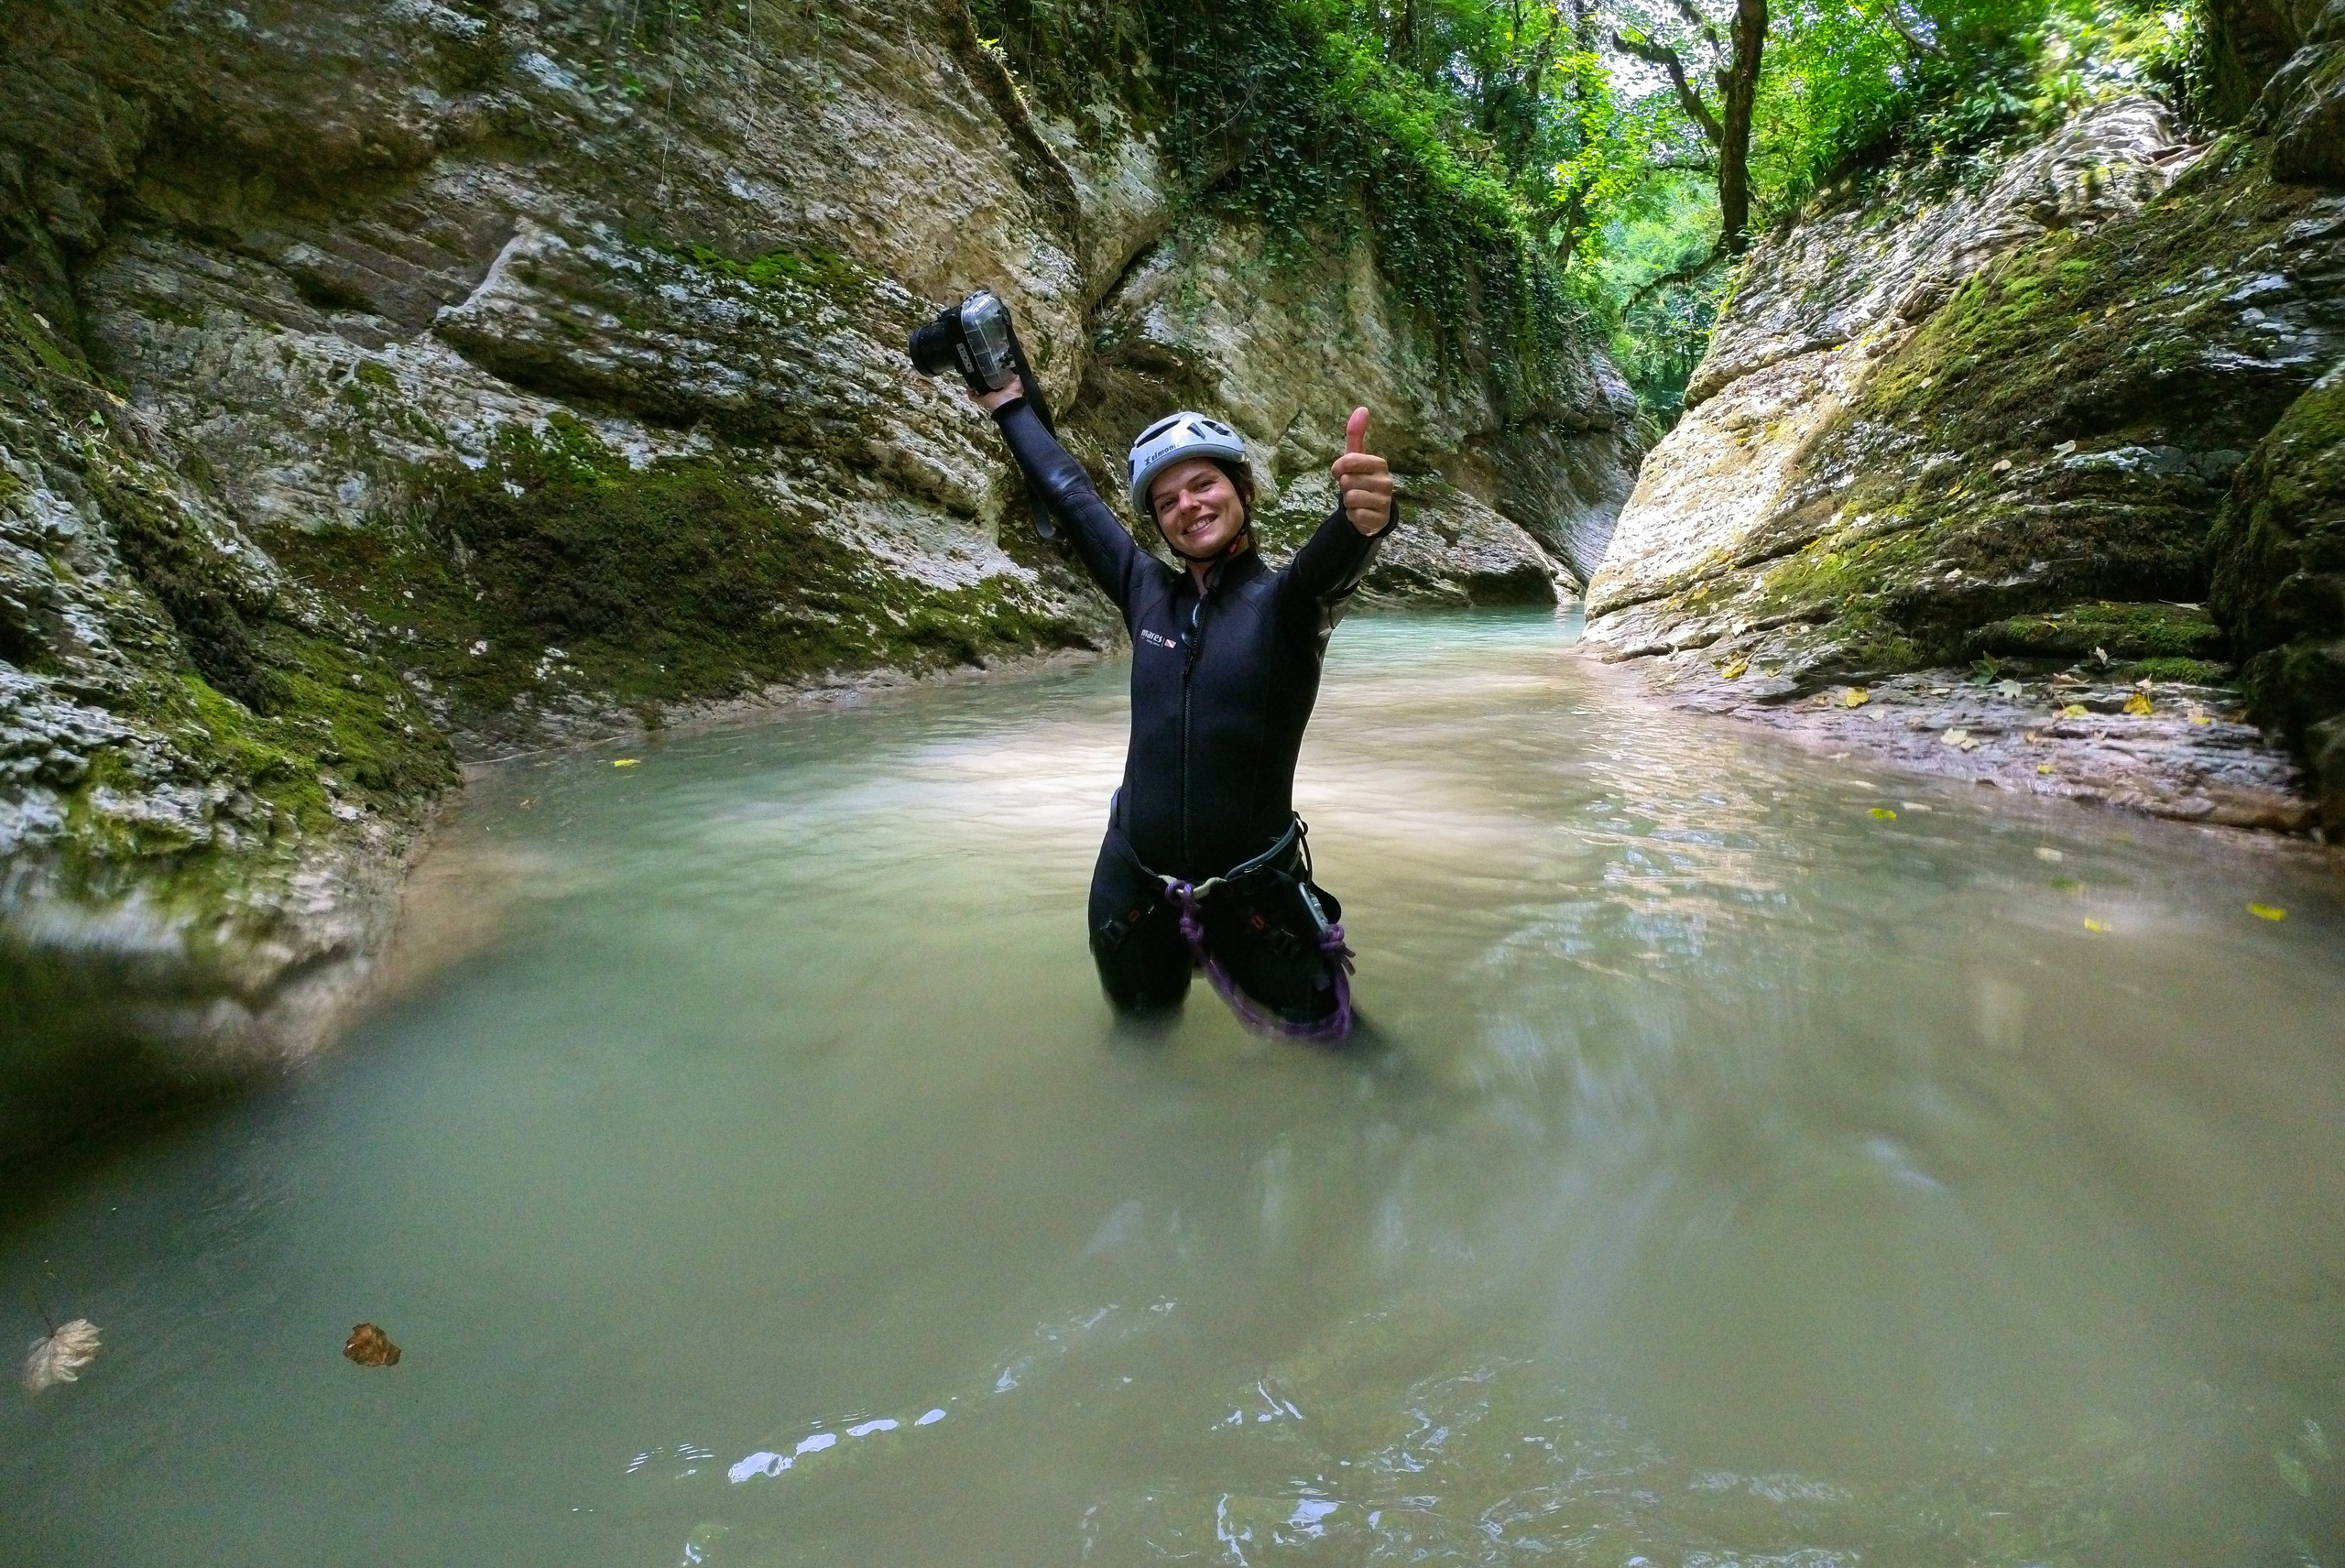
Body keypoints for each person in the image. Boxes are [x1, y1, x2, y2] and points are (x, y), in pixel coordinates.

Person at [971, 376, 1396, 1040]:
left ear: (1243, 491)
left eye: (1204, 485)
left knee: (1349, 1052)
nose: (1188, 506)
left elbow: (1330, 564)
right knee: (1140, 1043)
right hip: (1132, 891)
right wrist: (1007, 402)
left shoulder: (1287, 605)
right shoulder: (1145, 594)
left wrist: (1363, 521)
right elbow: (1069, 493)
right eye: (1167, 501)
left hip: (1256, 901)